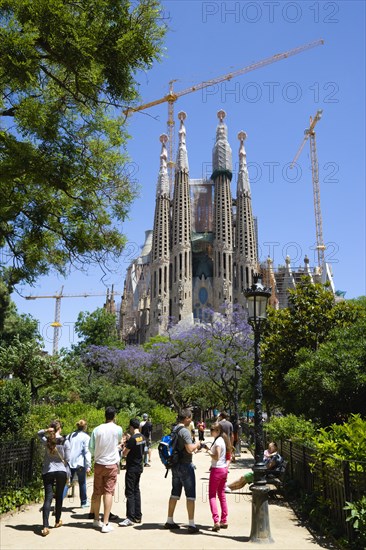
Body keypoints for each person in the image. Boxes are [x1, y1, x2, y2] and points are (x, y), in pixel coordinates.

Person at [165, 408, 202, 534]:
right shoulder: (185, 432)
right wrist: (197, 444)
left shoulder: (174, 429)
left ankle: (169, 520)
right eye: (190, 417)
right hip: (185, 465)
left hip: (175, 465)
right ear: (186, 418)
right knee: (190, 495)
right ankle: (191, 524)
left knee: (174, 493)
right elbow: (189, 448)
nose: (191, 419)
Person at [89, 406, 123, 533]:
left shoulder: (96, 429)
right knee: (109, 492)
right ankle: (106, 522)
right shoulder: (118, 429)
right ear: (114, 416)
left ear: (105, 415)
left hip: (99, 463)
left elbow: (91, 448)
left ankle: (96, 519)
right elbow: (118, 442)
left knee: (97, 491)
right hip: (111, 464)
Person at [38, 420, 71, 537]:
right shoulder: (65, 441)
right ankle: (57, 521)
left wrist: (47, 431)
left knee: (48, 497)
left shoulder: (47, 440)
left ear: (51, 429)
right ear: (60, 428)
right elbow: (68, 458)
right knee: (59, 496)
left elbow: (39, 433)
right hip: (61, 471)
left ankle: (45, 526)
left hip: (48, 471)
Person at [205, 422, 232, 531]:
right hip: (224, 469)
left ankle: (216, 520)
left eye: (212, 430)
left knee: (212, 495)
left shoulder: (218, 442)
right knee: (221, 495)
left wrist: (208, 451)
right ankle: (224, 520)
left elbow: (216, 456)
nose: (211, 431)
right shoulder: (222, 440)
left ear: (217, 431)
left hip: (217, 469)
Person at [119, 418, 145, 527]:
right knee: (136, 490)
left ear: (131, 426)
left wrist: (123, 446)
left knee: (129, 492)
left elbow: (125, 453)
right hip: (139, 466)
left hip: (132, 467)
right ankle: (137, 516)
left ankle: (129, 517)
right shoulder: (142, 437)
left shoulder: (133, 439)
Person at [64, 419, 91, 508]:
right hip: (80, 463)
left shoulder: (70, 435)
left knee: (67, 483)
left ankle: (59, 502)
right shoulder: (86, 437)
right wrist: (88, 465)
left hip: (69, 463)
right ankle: (83, 502)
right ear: (85, 427)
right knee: (82, 482)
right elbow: (87, 452)